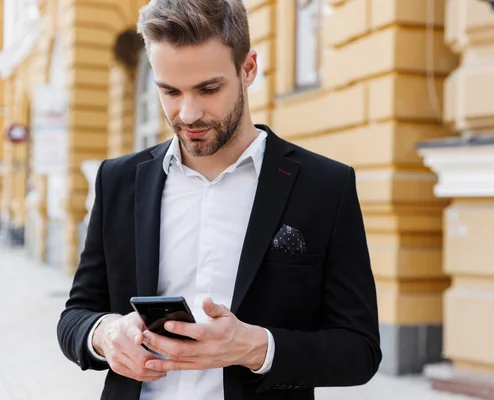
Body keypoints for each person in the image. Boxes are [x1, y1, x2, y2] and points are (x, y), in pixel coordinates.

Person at [56, 0, 381, 399]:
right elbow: (75, 317)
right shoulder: (119, 180)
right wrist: (104, 334)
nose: (188, 114)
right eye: (170, 91)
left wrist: (254, 347)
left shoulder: (325, 185)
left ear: (248, 69)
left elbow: (360, 350)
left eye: (208, 89)